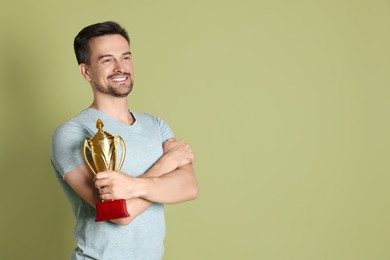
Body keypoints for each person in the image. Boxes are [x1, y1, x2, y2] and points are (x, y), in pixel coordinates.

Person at [50, 21, 198, 260]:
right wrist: (166, 164)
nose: (120, 68)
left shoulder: (156, 125)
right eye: (107, 60)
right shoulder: (73, 133)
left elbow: (189, 187)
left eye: (126, 57)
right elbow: (120, 214)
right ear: (86, 71)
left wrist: (131, 186)